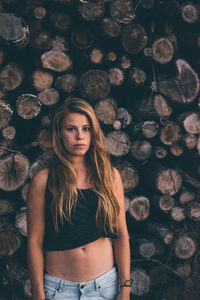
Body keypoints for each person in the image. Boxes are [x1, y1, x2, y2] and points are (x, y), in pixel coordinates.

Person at [27, 98, 132, 300]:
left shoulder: (109, 176)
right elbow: (35, 241)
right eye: (71, 129)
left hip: (105, 287)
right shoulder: (43, 180)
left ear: (94, 132)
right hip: (58, 290)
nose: (80, 136)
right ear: (59, 133)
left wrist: (125, 288)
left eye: (86, 129)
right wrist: (38, 293)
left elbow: (121, 236)